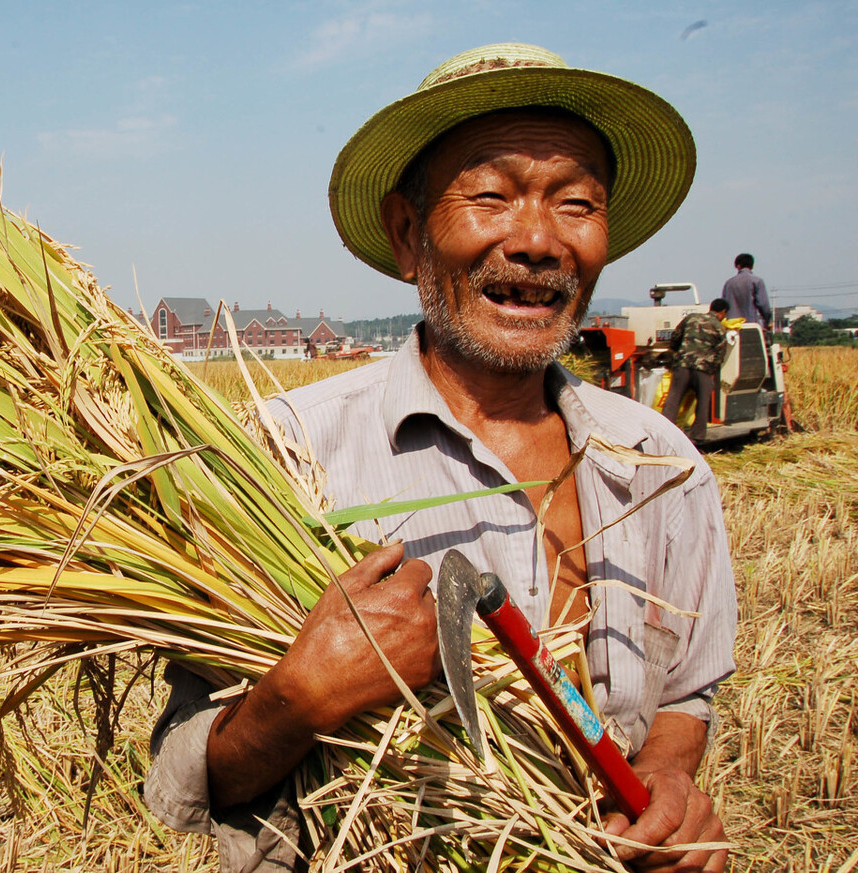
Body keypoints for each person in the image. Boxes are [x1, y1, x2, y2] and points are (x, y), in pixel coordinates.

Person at [145, 43, 735, 873]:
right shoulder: (281, 457)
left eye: (576, 204)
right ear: (406, 233)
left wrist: (668, 783)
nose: (536, 239)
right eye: (490, 195)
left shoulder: (660, 465)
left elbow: (684, 694)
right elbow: (184, 774)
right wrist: (296, 698)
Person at [662, 298, 731, 445]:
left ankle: (664, 432)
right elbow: (720, 354)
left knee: (673, 399)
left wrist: (677, 352)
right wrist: (710, 369)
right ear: (723, 312)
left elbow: (675, 336)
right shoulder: (719, 328)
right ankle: (697, 436)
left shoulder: (691, 318)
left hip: (683, 365)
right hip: (703, 369)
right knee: (703, 402)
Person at [722, 253, 772, 330]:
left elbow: (723, 306)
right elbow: (763, 305)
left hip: (732, 327)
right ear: (752, 266)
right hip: (751, 326)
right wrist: (768, 321)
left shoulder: (729, 283)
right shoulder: (757, 281)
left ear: (737, 266)